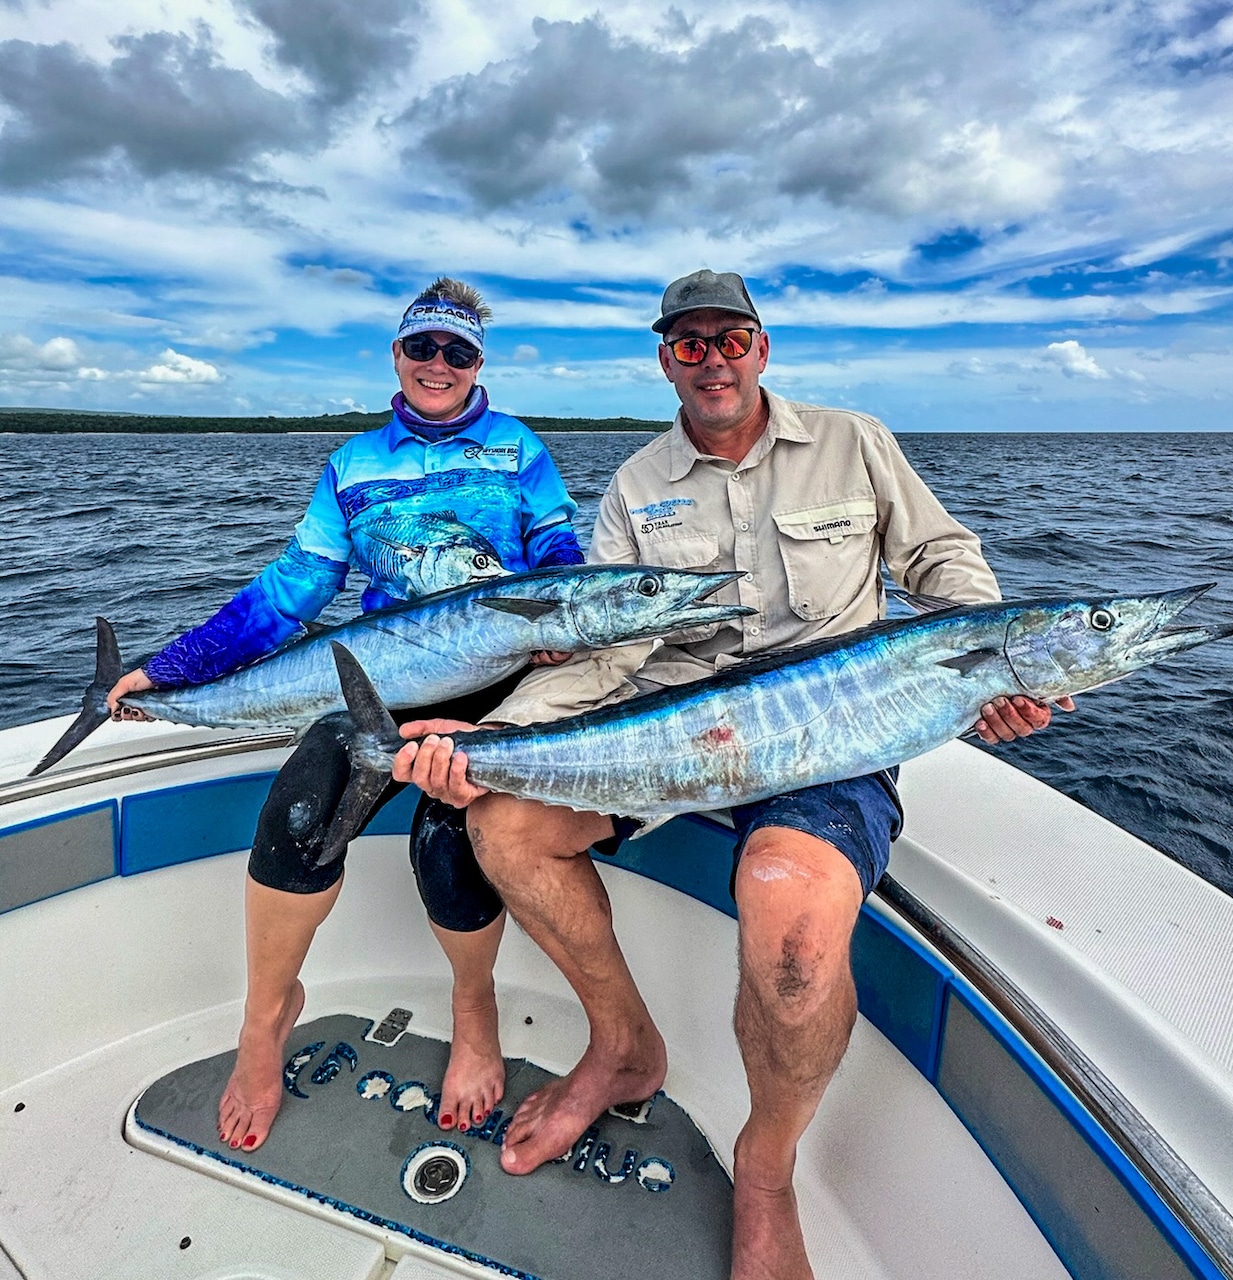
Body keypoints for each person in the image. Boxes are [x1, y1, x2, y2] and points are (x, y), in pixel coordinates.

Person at [392, 269, 1071, 1280]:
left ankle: (764, 1165)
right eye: (687, 343)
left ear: (762, 346)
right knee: (501, 826)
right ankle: (622, 1045)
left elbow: (941, 558)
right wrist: (479, 738)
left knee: (790, 926)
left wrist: (982, 657)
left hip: (822, 739)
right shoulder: (632, 484)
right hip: (668, 732)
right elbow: (607, 652)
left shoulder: (854, 440)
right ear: (664, 358)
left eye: (730, 337)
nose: (712, 358)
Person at [105, 277, 586, 1155]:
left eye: (458, 351)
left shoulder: (518, 449)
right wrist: (170, 670)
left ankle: (472, 1014)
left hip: (496, 687)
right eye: (423, 348)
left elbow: (559, 552)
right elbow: (291, 593)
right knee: (299, 809)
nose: (439, 365)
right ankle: (266, 1021)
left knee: (451, 832)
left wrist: (558, 622)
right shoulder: (354, 464)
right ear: (397, 355)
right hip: (382, 682)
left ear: (479, 363)